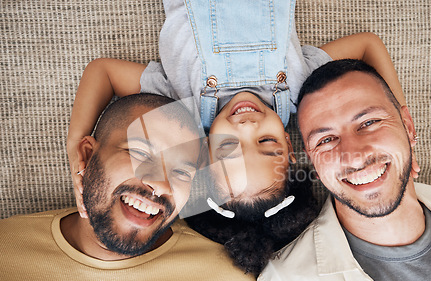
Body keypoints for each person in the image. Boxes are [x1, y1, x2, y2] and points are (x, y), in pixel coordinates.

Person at [67, 0, 406, 222]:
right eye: (267, 142)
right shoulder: (302, 89)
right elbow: (366, 45)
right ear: (289, 148)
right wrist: (401, 121)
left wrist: (75, 152)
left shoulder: (180, 108)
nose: (247, 124)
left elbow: (104, 73)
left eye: (228, 147)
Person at [258, 59, 431, 281]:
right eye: (326, 140)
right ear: (314, 166)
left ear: (408, 127)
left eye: (368, 123)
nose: (355, 155)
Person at [0, 94, 257, 281]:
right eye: (140, 153)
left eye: (181, 173)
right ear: (87, 156)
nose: (161, 185)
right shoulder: (6, 248)